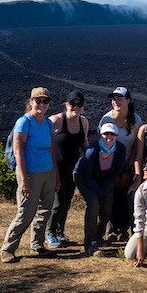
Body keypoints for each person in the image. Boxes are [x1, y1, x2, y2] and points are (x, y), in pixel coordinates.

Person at [0, 86, 59, 263]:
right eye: (38, 100)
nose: (41, 104)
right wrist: (24, 180)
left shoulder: (47, 123)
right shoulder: (24, 122)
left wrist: (56, 174)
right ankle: (7, 249)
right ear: (31, 101)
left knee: (45, 210)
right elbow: (18, 152)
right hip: (31, 173)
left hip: (48, 171)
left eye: (45, 101)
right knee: (26, 212)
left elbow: (51, 149)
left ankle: (37, 246)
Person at [74, 122, 128, 256]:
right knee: (94, 204)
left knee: (107, 208)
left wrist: (105, 187)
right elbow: (86, 176)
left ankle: (98, 236)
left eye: (112, 134)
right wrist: (100, 192)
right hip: (84, 178)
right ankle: (90, 242)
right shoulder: (92, 150)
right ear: (100, 135)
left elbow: (117, 170)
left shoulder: (120, 149)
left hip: (105, 178)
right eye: (106, 134)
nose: (109, 137)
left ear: (116, 136)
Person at [100, 87, 143, 243]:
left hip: (128, 164)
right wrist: (115, 171)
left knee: (126, 195)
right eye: (114, 98)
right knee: (111, 195)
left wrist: (127, 168)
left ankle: (124, 229)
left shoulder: (136, 120)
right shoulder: (106, 119)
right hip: (110, 163)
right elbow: (103, 144)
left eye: (120, 98)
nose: (116, 101)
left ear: (128, 100)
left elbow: (137, 145)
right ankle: (111, 229)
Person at [47, 90, 89, 248]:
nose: (76, 107)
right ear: (66, 105)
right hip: (56, 169)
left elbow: (84, 142)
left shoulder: (83, 122)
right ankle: (50, 233)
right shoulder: (55, 121)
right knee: (58, 202)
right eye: (73, 104)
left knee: (66, 202)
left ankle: (60, 233)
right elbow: (46, 143)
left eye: (79, 104)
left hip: (72, 170)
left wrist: (93, 156)